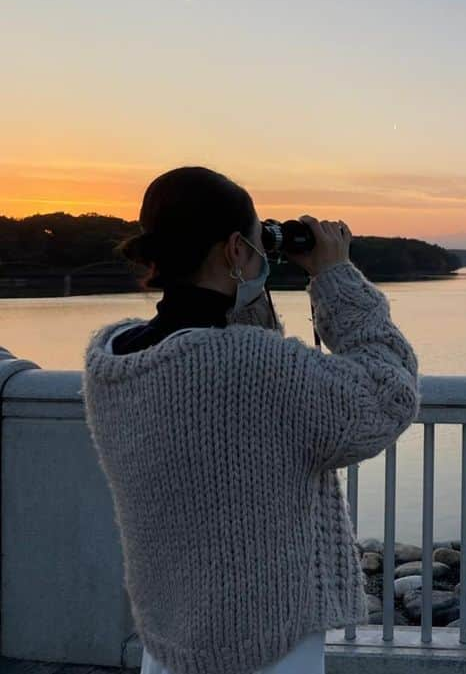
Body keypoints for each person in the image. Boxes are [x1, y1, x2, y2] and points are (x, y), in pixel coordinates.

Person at [81, 166, 421, 674]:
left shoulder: (114, 356)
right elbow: (387, 393)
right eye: (260, 241)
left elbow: (232, 370)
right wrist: (334, 277)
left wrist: (242, 286)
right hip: (269, 641)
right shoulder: (252, 367)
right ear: (237, 249)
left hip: (171, 632)